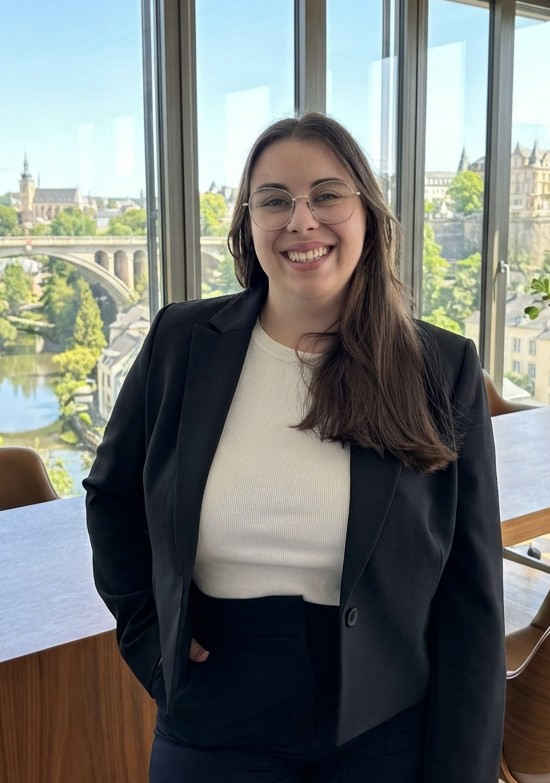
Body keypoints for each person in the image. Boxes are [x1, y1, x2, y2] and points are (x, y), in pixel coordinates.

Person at [84, 112, 505, 783]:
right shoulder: (180, 341)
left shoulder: (439, 367)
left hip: (385, 720)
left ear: (367, 213)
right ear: (248, 225)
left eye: (327, 194)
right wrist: (146, 638)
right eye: (274, 199)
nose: (301, 221)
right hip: (214, 713)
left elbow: (471, 594)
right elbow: (112, 498)